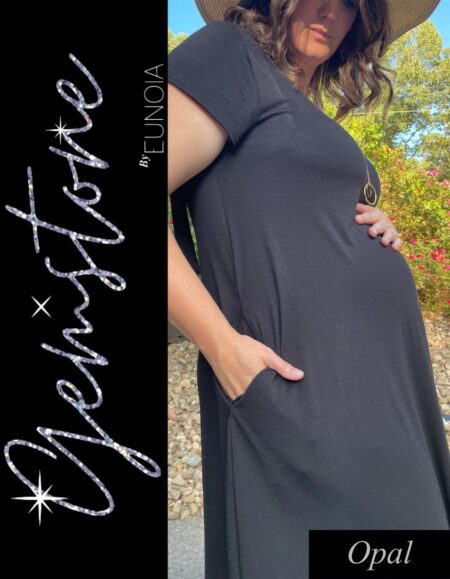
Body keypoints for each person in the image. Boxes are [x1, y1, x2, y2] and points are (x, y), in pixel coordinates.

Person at [168, 1, 449, 577]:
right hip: (302, 392)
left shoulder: (301, 105)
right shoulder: (227, 53)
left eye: (352, 1)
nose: (330, 10)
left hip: (381, 389)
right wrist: (222, 348)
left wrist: (371, 224)